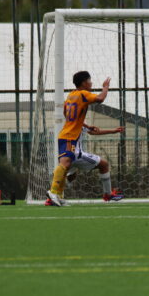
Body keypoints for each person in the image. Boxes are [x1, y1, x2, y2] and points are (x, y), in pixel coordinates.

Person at [46, 71, 112, 207]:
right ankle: (53, 192)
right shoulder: (83, 94)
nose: (91, 83)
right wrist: (105, 87)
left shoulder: (71, 95)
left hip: (66, 134)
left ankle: (57, 195)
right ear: (84, 83)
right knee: (65, 163)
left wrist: (85, 125)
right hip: (69, 136)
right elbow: (100, 99)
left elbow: (67, 113)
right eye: (89, 81)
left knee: (67, 165)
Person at [53, 124, 126, 204]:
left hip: (65, 155)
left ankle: (54, 195)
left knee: (67, 175)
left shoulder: (75, 122)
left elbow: (93, 132)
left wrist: (113, 131)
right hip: (76, 154)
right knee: (104, 165)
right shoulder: (76, 121)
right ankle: (108, 194)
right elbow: (93, 131)